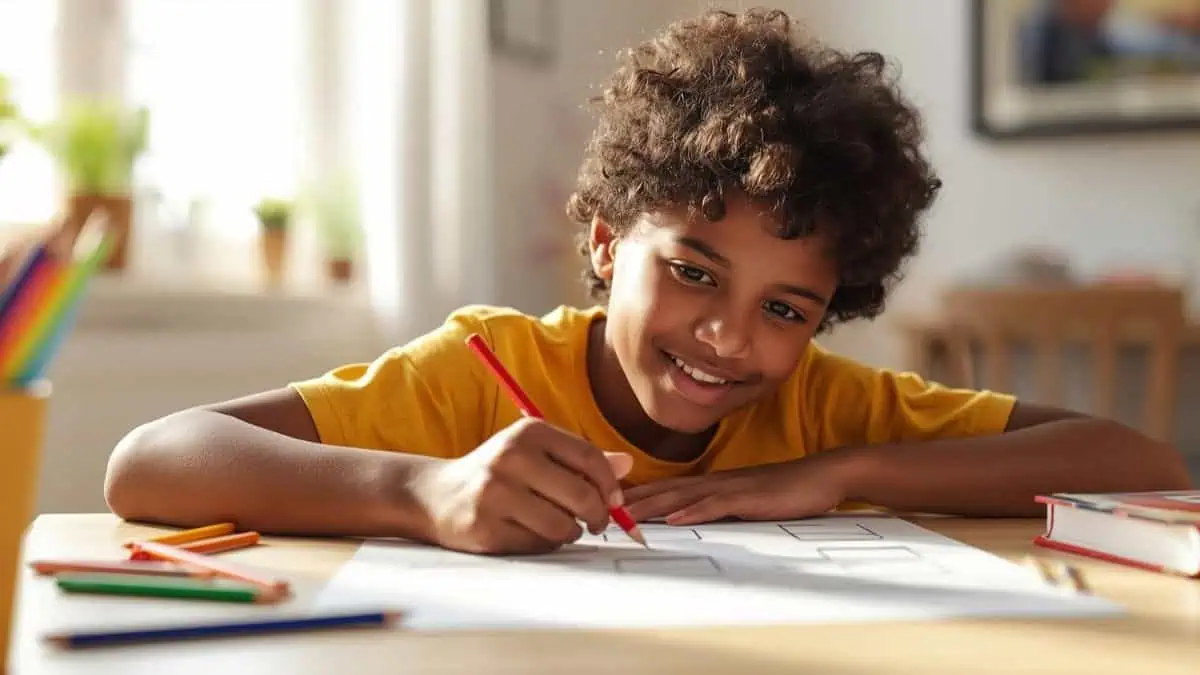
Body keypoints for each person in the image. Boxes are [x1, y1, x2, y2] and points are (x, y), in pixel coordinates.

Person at [102, 8, 1191, 555]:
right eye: (691, 271)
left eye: (784, 308)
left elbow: (1138, 462)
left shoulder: (826, 406)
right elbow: (150, 465)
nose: (727, 337)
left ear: (828, 314)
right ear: (609, 241)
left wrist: (846, 469)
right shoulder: (480, 372)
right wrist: (416, 490)